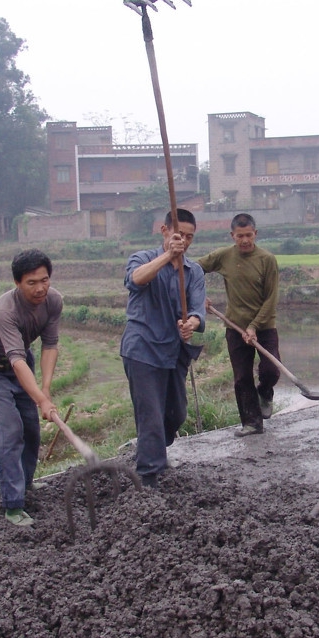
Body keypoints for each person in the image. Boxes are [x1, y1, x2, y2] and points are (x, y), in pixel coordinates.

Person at [0, 249, 64, 526]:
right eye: (31, 283)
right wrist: (41, 400)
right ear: (17, 283)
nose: (40, 288)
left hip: (23, 360)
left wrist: (45, 390)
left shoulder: (54, 301)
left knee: (31, 429)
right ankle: (12, 505)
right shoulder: (6, 310)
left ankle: (25, 483)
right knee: (11, 431)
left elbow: (50, 345)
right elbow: (16, 361)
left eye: (44, 280)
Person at [122, 209, 206, 488]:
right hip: (142, 349)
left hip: (173, 350)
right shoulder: (143, 258)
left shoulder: (193, 271)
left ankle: (153, 449)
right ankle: (148, 476)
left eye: (190, 237)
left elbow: (197, 309)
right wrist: (168, 256)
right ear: (165, 231)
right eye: (180, 235)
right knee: (151, 414)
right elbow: (136, 280)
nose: (185, 241)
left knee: (176, 413)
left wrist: (191, 324)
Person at [196, 213, 281, 436]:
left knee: (272, 369)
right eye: (240, 236)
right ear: (232, 235)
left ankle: (265, 392)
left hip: (264, 326)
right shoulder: (223, 256)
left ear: (256, 234)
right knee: (242, 377)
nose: (244, 240)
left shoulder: (267, 259)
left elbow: (271, 298)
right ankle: (252, 423)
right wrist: (197, 297)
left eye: (249, 235)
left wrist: (254, 326)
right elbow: (193, 270)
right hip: (234, 327)